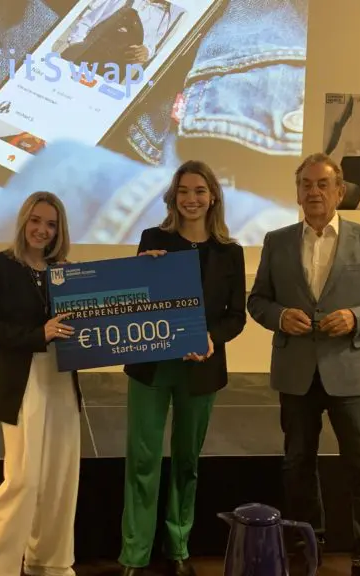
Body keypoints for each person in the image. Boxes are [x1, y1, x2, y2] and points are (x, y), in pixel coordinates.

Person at [246, 153, 360, 576]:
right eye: (306, 184)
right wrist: (280, 316)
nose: (313, 192)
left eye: (322, 184)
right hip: (296, 373)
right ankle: (307, 544)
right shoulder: (276, 241)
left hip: (351, 371)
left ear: (340, 191)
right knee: (297, 463)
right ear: (297, 193)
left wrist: (356, 317)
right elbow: (257, 301)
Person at [117, 160, 247, 576]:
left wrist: (210, 338)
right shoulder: (152, 239)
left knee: (187, 461)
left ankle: (178, 548)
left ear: (213, 197)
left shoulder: (230, 252)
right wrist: (141, 270)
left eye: (200, 191)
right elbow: (134, 300)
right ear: (173, 198)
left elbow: (236, 316)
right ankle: (135, 554)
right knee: (142, 459)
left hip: (201, 369)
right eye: (184, 191)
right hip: (151, 367)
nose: (192, 199)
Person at [0, 191, 82, 576]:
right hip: (20, 380)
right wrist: (37, 334)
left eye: (51, 224)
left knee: (60, 477)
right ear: (24, 220)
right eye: (36, 220)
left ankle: (49, 563)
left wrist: (144, 269)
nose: (42, 230)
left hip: (61, 380)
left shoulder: (64, 271)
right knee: (23, 479)